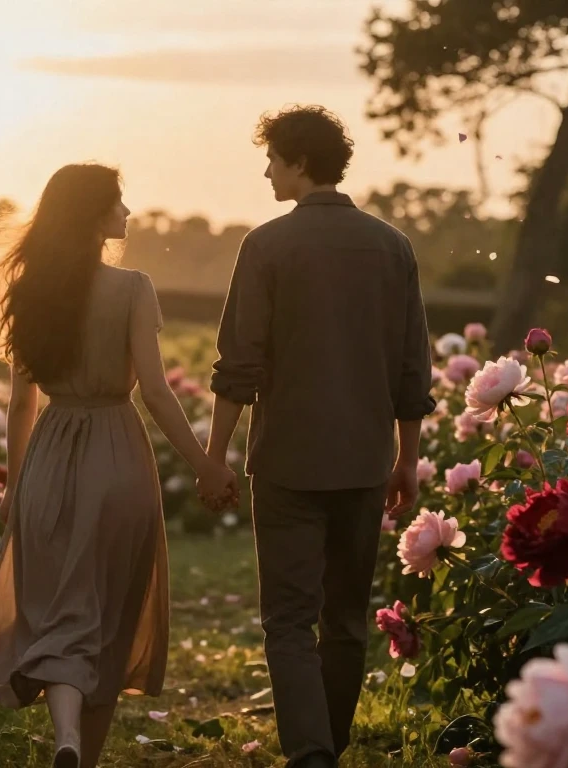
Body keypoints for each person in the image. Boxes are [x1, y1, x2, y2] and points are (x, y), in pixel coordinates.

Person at [0, 163, 238, 768]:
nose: (128, 212)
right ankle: (81, 756)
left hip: (49, 456)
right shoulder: (133, 288)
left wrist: (15, 483)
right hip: (117, 455)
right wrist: (204, 465)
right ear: (93, 216)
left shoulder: (28, 290)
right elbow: (156, 391)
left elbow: (20, 402)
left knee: (62, 611)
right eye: (118, 202)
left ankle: (64, 738)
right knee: (109, 613)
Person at [202, 106, 435, 767]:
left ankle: (311, 755)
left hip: (286, 462)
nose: (267, 169)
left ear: (299, 162)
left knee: (287, 620)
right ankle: (326, 746)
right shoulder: (393, 246)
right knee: (347, 622)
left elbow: (238, 366)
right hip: (365, 461)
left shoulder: (266, 246)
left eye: (273, 158)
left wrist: (215, 457)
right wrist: (407, 459)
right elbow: (411, 366)